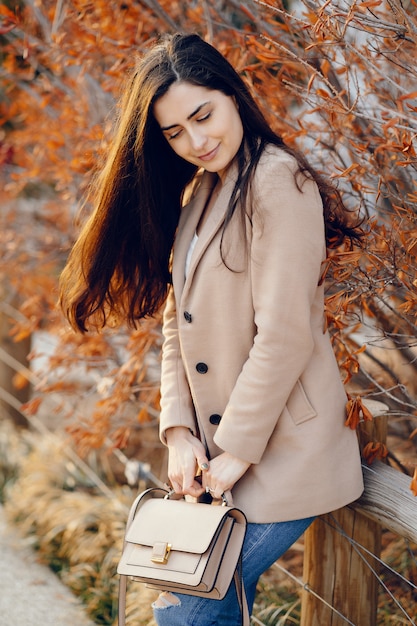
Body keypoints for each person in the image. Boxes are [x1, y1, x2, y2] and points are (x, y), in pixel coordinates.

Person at [59, 32, 365, 626]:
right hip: (215, 461)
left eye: (204, 116)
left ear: (233, 95)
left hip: (280, 455)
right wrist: (177, 431)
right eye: (174, 133)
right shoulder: (201, 190)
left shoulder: (278, 182)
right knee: (193, 603)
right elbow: (179, 319)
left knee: (187, 608)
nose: (196, 141)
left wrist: (232, 453)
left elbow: (284, 335)